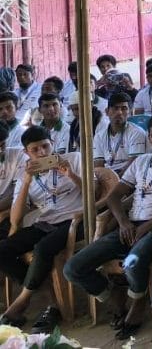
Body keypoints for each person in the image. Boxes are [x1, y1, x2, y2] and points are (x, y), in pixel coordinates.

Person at [64, 114, 152, 338]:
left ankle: (138, 302)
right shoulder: (141, 161)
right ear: (149, 138)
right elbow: (114, 197)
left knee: (132, 263)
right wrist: (123, 223)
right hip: (131, 225)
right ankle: (114, 296)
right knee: (73, 268)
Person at [0, 126, 85, 330]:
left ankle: (23, 300)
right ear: (26, 153)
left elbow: (95, 192)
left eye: (45, 146)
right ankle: (50, 294)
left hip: (75, 220)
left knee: (42, 249)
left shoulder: (74, 158)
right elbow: (16, 217)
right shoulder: (25, 175)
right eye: (35, 150)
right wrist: (27, 181)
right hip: (46, 223)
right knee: (2, 250)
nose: (42, 153)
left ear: (52, 143)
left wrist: (71, 174)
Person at [93, 92, 148, 174]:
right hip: (107, 176)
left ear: (130, 112)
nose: (119, 112)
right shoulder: (99, 136)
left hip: (129, 177)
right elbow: (98, 166)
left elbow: (133, 165)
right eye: (115, 108)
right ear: (107, 111)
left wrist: (115, 180)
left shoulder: (136, 132)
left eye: (124, 108)